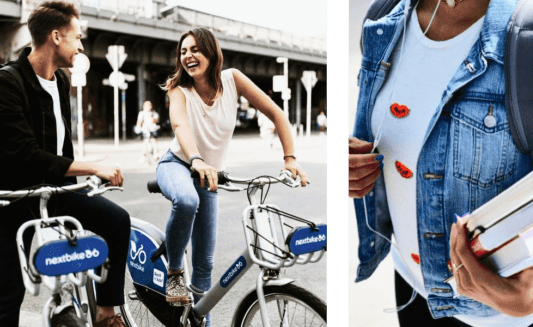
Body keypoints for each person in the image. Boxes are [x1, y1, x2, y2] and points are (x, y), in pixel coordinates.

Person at [348, 0, 533, 325]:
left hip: (515, 320)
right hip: (414, 293)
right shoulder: (385, 20)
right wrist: (357, 169)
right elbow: (388, 138)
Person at [156, 27, 310, 319]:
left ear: (211, 53)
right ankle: (174, 271)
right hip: (177, 164)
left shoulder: (232, 79)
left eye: (195, 49)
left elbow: (277, 113)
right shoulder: (180, 90)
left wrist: (290, 158)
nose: (188, 55)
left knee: (204, 268)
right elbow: (180, 126)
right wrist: (198, 160)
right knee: (187, 200)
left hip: (209, 176)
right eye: (183, 51)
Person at [0, 2, 129, 326]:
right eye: (77, 36)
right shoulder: (8, 83)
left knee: (116, 220)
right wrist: (91, 167)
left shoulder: (60, 81)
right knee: (8, 297)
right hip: (17, 202)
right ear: (56, 37)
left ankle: (106, 313)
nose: (82, 45)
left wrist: (84, 182)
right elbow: (26, 156)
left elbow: (62, 145)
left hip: (55, 194)